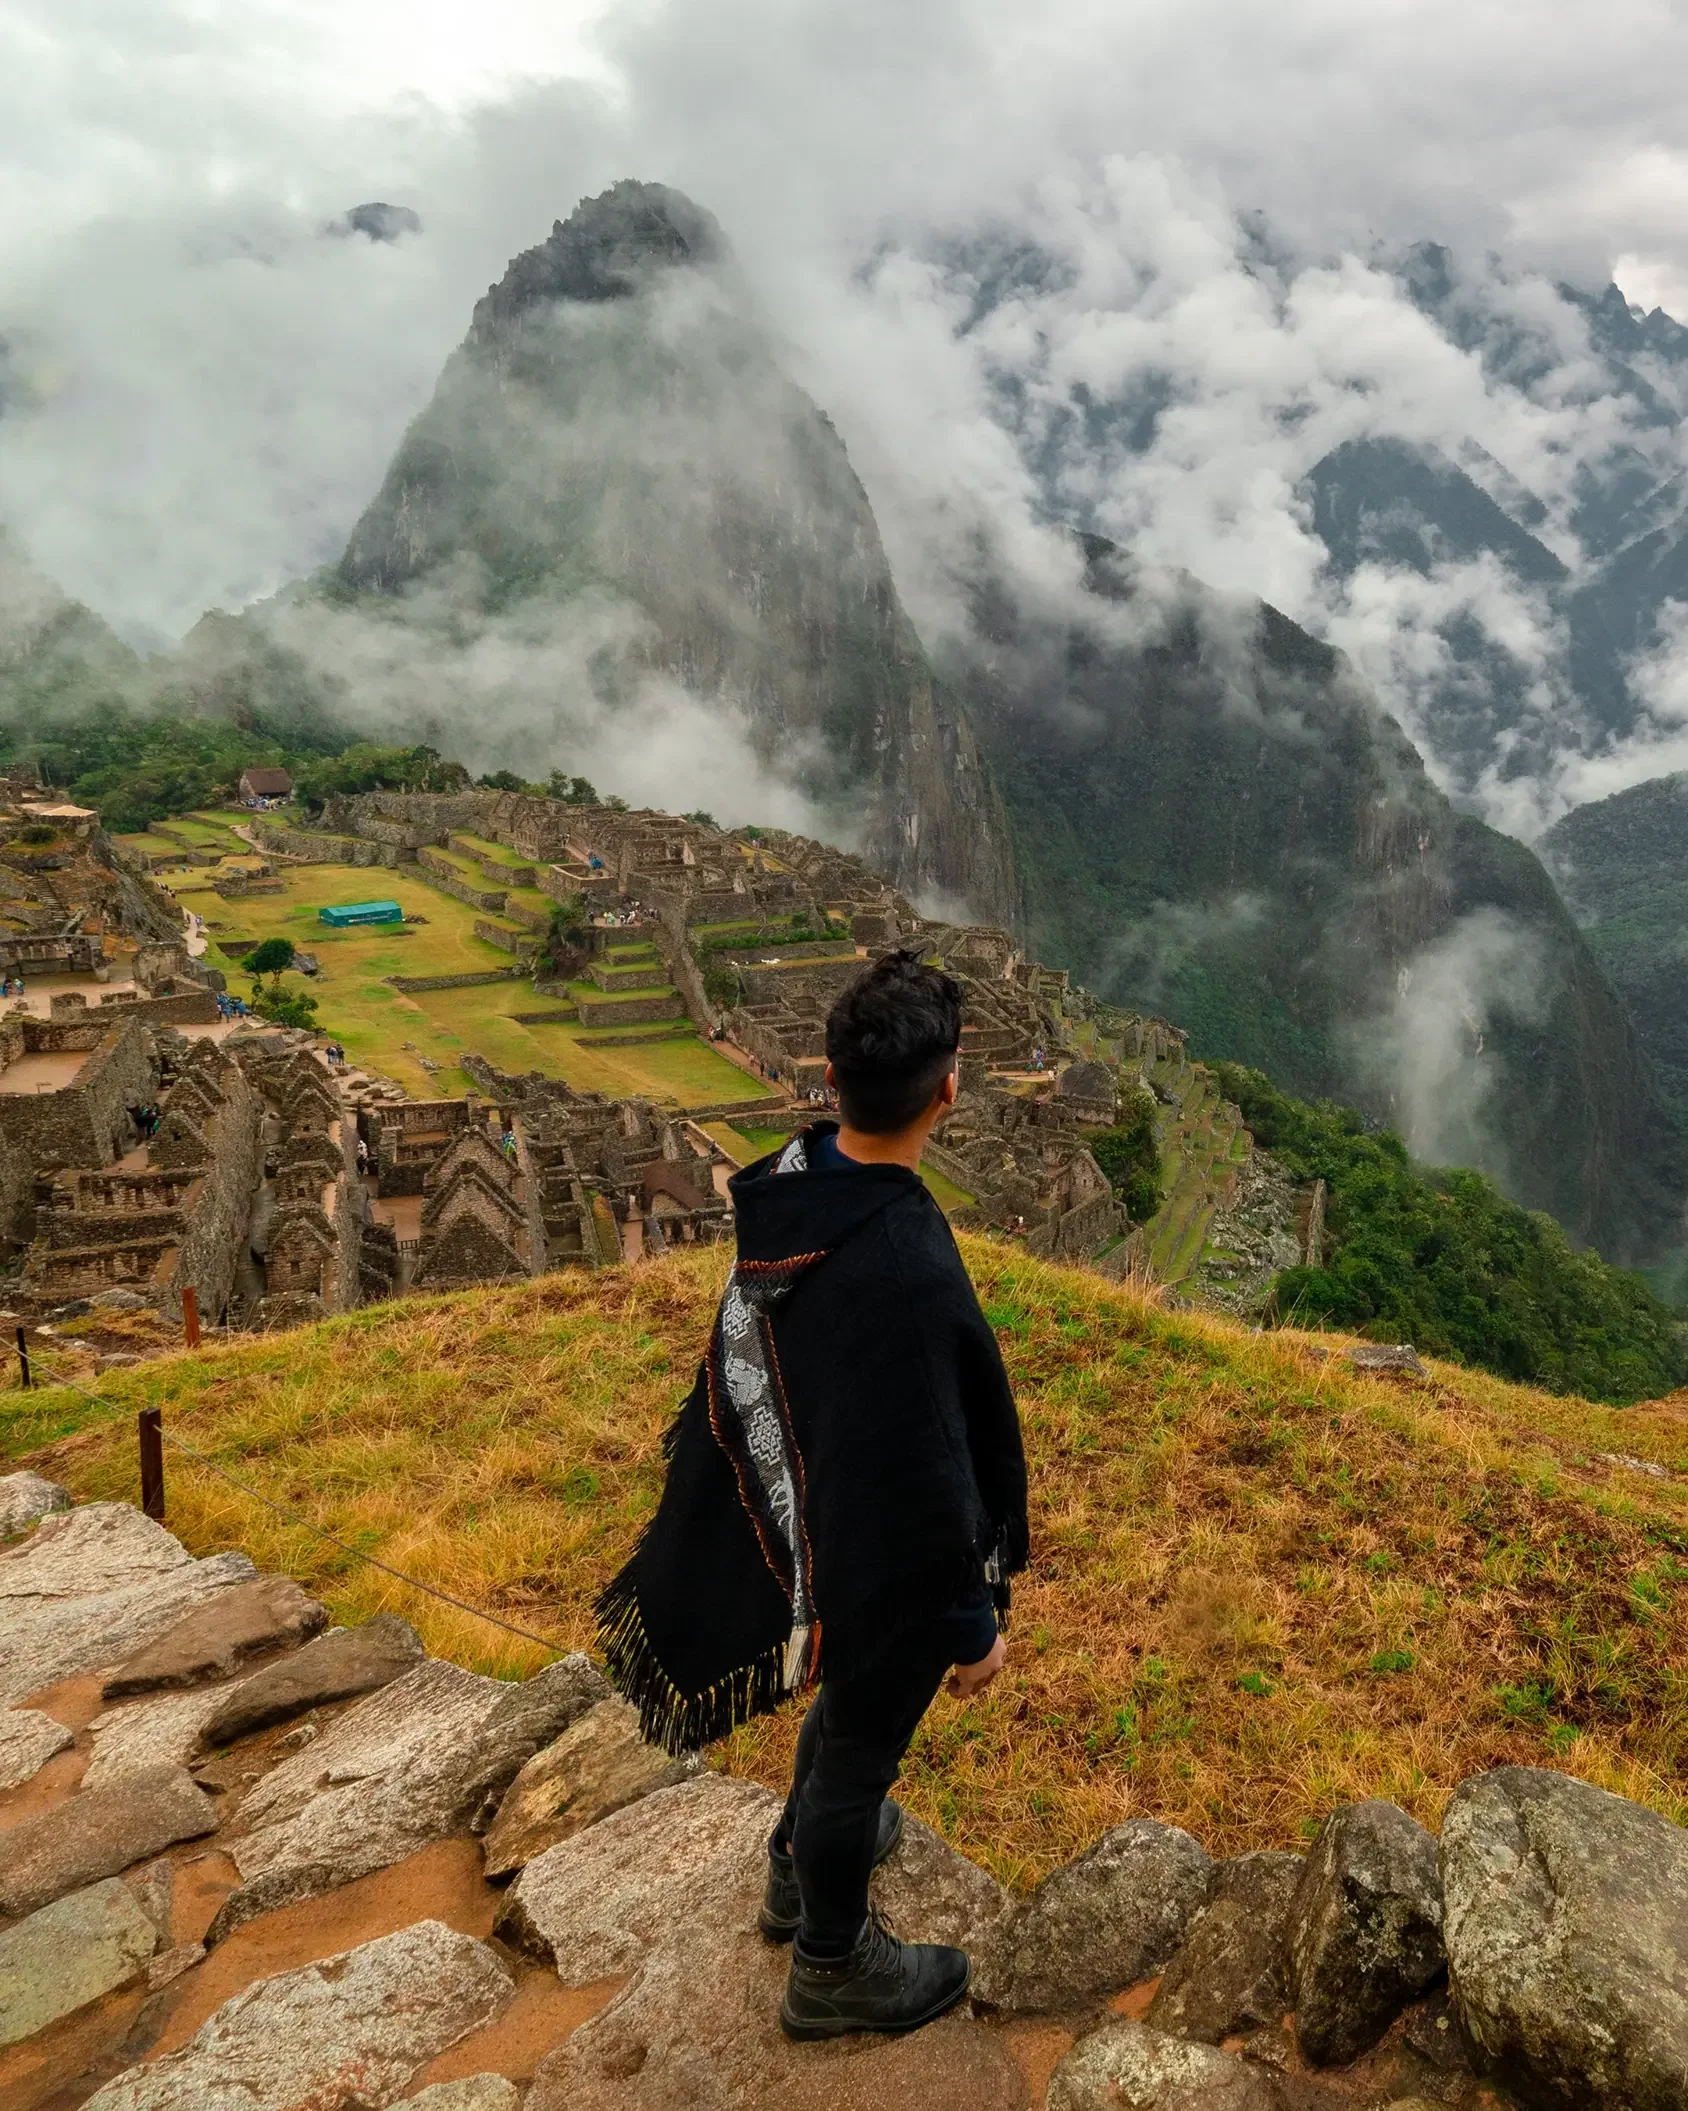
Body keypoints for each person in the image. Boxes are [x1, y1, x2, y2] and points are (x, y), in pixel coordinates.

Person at [597, 950, 1028, 2042]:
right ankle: (831, 1960)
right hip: (876, 1554)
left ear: (829, 1080)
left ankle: (799, 1862)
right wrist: (972, 1626)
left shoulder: (795, 1181)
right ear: (949, 1088)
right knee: (858, 1752)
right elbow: (929, 1468)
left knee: (844, 1724)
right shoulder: (898, 1262)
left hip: (822, 1523)